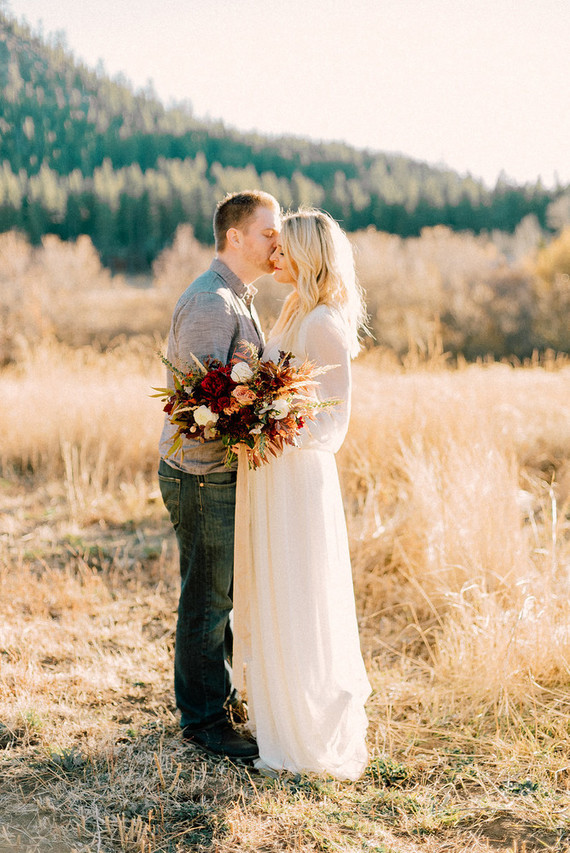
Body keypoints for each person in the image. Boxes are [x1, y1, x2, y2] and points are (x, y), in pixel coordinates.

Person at [233, 209, 371, 780]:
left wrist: (267, 428)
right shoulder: (295, 311)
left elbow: (332, 426)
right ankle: (278, 717)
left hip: (297, 481)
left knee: (299, 593)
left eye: (284, 250)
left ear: (310, 257)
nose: (275, 259)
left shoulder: (322, 324)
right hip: (270, 476)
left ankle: (306, 735)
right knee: (271, 590)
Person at [158, 190, 280, 760]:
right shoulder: (211, 302)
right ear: (235, 236)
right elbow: (198, 405)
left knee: (219, 594)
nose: (275, 242)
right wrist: (257, 419)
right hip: (201, 473)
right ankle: (204, 722)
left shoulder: (238, 296)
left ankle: (216, 700)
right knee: (207, 599)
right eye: (267, 232)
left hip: (219, 473)